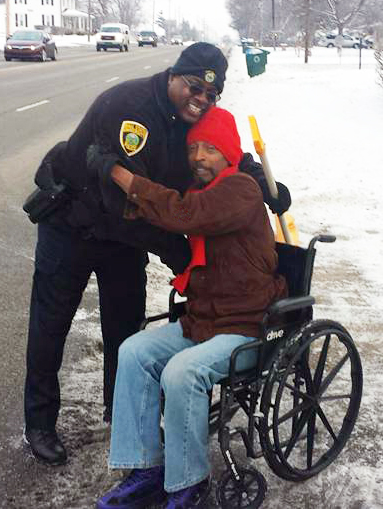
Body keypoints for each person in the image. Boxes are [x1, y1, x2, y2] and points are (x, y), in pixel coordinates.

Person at [23, 42, 290, 466]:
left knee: (124, 328)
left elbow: (219, 152)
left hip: (126, 239)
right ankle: (38, 423)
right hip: (75, 224)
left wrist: (257, 179)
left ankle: (122, 410)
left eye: (210, 95)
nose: (200, 100)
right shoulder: (129, 107)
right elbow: (127, 204)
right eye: (192, 87)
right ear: (173, 76)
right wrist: (179, 253)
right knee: (51, 325)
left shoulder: (188, 120)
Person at [95, 106, 288, 509]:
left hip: (246, 323)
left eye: (210, 149)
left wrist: (121, 175)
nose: (199, 156)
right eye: (194, 147)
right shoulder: (204, 189)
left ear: (229, 153)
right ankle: (146, 468)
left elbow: (185, 213)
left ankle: (188, 482)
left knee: (183, 372)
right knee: (133, 351)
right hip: (204, 318)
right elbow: (176, 206)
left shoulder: (240, 189)